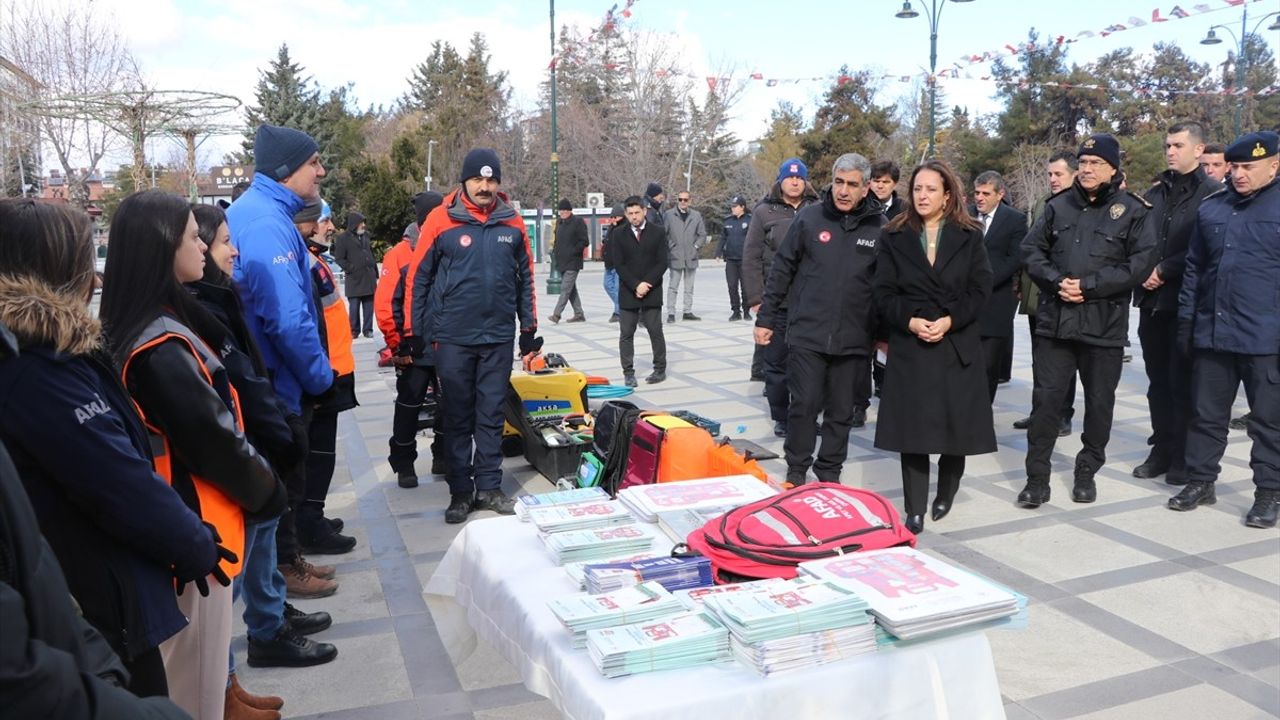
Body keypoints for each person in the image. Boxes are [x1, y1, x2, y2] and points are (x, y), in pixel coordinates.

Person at [0, 199, 223, 700]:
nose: (94, 282)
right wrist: (193, 542)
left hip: (94, 591)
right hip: (95, 601)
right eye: (84, 264)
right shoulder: (40, 369)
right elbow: (116, 481)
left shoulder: (48, 353)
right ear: (52, 268)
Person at [100, 190, 290, 719]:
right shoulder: (158, 345)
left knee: (202, 675)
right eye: (191, 237)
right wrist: (269, 491)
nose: (203, 248)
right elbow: (214, 442)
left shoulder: (157, 323)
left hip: (192, 530)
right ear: (161, 248)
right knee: (194, 692)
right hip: (198, 533)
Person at [188, 204, 336, 715]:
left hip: (258, 429)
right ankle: (232, 671)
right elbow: (232, 383)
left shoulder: (220, 294)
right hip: (234, 452)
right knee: (232, 567)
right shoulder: (192, 310)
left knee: (265, 533)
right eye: (221, 241)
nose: (234, 250)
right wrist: (276, 430)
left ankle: (265, 629)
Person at [0, 419, 192, 719]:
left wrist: (100, 665)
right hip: (82, 662)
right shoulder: (36, 377)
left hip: (89, 661)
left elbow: (36, 568)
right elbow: (15, 679)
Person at [226, 124, 336, 604]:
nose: (321, 171)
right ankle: (277, 583)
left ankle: (284, 567)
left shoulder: (265, 214)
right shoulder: (268, 224)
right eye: (313, 163)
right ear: (286, 169)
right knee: (280, 486)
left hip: (270, 378)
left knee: (281, 489)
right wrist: (320, 376)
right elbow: (288, 320)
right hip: (276, 383)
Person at [1018, 134, 1156, 508]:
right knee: (1045, 404)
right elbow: (1030, 250)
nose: (1087, 168)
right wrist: (1056, 281)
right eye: (1083, 162)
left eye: (1096, 163)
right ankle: (1037, 479)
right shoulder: (1057, 206)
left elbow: (1139, 263)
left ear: (1113, 168)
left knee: (1099, 405)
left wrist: (1089, 287)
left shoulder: (1133, 210)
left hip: (1103, 327)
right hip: (1056, 323)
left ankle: (1086, 471)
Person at [405, 148, 541, 524]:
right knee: (457, 415)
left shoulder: (512, 222)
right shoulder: (440, 220)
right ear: (464, 181)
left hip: (497, 336)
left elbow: (526, 278)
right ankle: (461, 492)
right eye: (478, 180)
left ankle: (490, 487)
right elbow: (419, 278)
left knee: (492, 414)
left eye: (491, 180)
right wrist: (413, 331)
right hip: (452, 338)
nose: (484, 187)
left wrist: (528, 328)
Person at [875, 160, 996, 534]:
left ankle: (946, 491)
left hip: (955, 342)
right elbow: (881, 292)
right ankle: (914, 507)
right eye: (917, 189)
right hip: (911, 344)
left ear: (947, 195)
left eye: (931, 189)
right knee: (913, 431)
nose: (922, 195)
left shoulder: (969, 234)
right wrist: (908, 320)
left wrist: (950, 320)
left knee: (954, 427)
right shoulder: (894, 235)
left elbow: (980, 289)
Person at [1170, 131, 1280, 528]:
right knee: (1205, 414)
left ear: (1275, 165)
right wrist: (1187, 323)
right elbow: (1194, 270)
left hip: (1266, 338)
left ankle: (1269, 491)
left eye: (1248, 167)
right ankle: (1201, 481)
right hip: (1213, 333)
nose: (1238, 175)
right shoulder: (1212, 209)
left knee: (1268, 421)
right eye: (1234, 167)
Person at [755, 153, 883, 486]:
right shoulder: (810, 219)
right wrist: (765, 319)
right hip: (808, 334)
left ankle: (829, 472)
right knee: (805, 404)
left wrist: (884, 334)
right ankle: (797, 469)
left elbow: (887, 288)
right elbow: (782, 270)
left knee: (841, 412)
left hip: (855, 338)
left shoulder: (880, 228)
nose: (843, 191)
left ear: (866, 187)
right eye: (839, 182)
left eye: (852, 184)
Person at [1131, 122, 1217, 486]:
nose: (1170, 151)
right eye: (1167, 144)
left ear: (1198, 150)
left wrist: (1165, 269)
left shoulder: (1213, 194)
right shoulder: (1154, 193)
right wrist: (1143, 269)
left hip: (1186, 302)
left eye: (1178, 145)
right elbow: (1139, 240)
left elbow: (1208, 245)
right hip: (1152, 302)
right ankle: (1162, 448)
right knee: (1157, 383)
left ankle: (1184, 454)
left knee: (1184, 383)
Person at [295, 199, 359, 556]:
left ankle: (311, 514)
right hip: (322, 373)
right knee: (318, 453)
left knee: (321, 452)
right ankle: (308, 523)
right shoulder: (305, 261)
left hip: (330, 368)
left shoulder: (314, 260)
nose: (331, 226)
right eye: (325, 219)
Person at [743, 158, 819, 434]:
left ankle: (807, 415)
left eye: (800, 178)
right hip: (776, 301)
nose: (795, 182)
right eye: (790, 178)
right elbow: (750, 258)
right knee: (776, 363)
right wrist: (756, 299)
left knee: (809, 364)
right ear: (780, 181)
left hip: (811, 302)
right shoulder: (765, 212)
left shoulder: (818, 209)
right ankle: (782, 417)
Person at [377, 191, 446, 488]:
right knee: (409, 404)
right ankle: (404, 462)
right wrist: (397, 344)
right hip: (412, 345)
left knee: (450, 404)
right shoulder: (399, 255)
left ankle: (442, 455)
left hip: (446, 344)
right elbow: (386, 303)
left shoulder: (448, 245)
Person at [1013, 150, 1078, 436]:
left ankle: (1062, 414)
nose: (1052, 179)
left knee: (1062, 361)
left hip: (1060, 292)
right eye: (1050, 174)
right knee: (1040, 358)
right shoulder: (1042, 202)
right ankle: (1040, 412)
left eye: (1058, 174)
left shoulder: (1079, 204)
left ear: (1074, 174)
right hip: (1035, 292)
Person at [971, 171, 1027, 401]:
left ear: (1000, 194)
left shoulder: (1015, 219)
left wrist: (986, 280)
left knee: (988, 366)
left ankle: (982, 414)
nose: (979, 198)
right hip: (967, 302)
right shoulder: (965, 216)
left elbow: (1015, 257)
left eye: (986, 193)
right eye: (976, 193)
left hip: (997, 301)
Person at [613, 195, 669, 388]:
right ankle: (628, 372)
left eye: (637, 212)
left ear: (645, 211)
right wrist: (636, 285)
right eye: (630, 214)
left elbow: (663, 262)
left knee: (655, 330)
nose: (634, 217)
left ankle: (659, 368)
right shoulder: (618, 234)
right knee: (626, 333)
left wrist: (647, 284)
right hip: (629, 290)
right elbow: (618, 264)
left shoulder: (658, 232)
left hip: (652, 290)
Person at [663, 190, 707, 322]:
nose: (682, 202)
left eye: (685, 200)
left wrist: (695, 247)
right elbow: (664, 234)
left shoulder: (696, 215)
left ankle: (687, 311)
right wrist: (672, 246)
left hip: (691, 256)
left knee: (689, 287)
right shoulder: (669, 215)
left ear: (690, 201)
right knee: (673, 286)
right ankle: (671, 312)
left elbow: (702, 234)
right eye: (680, 199)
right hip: (675, 256)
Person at [333, 211, 377, 339]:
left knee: (369, 306)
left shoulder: (365, 236)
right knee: (354, 306)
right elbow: (339, 258)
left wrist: (375, 270)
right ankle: (354, 330)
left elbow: (370, 253)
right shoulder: (342, 238)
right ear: (354, 224)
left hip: (368, 277)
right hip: (354, 278)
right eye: (361, 223)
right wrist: (351, 268)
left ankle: (368, 329)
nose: (364, 225)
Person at [550, 198, 588, 323]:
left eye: (565, 210)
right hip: (561, 261)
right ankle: (579, 314)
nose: (563, 212)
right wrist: (555, 253)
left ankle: (556, 314)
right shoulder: (559, 222)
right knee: (571, 289)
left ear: (570, 211)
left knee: (565, 289)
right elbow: (556, 241)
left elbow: (584, 241)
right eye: (561, 210)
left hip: (573, 261)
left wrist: (574, 251)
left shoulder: (578, 221)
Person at [717, 196, 751, 321]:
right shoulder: (728, 221)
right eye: (732, 206)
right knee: (732, 286)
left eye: (735, 206)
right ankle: (736, 311)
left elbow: (754, 239)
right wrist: (718, 253)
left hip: (745, 259)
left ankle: (746, 310)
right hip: (731, 259)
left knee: (745, 287)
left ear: (742, 207)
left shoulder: (750, 220)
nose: (733, 208)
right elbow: (723, 238)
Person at [602, 204, 623, 322]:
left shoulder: (623, 228)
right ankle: (623, 306)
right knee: (607, 285)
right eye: (612, 217)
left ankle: (618, 311)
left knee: (617, 287)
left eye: (616, 217)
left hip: (618, 263)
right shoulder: (611, 228)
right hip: (609, 263)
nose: (613, 220)